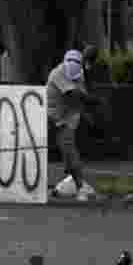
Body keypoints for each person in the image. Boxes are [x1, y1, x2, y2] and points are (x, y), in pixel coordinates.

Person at [47, 49, 104, 201]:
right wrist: (93, 100)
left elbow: (79, 102)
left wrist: (90, 119)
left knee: (69, 153)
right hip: (51, 118)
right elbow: (74, 95)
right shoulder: (57, 73)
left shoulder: (79, 74)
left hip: (65, 120)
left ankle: (78, 186)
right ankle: (78, 186)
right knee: (66, 153)